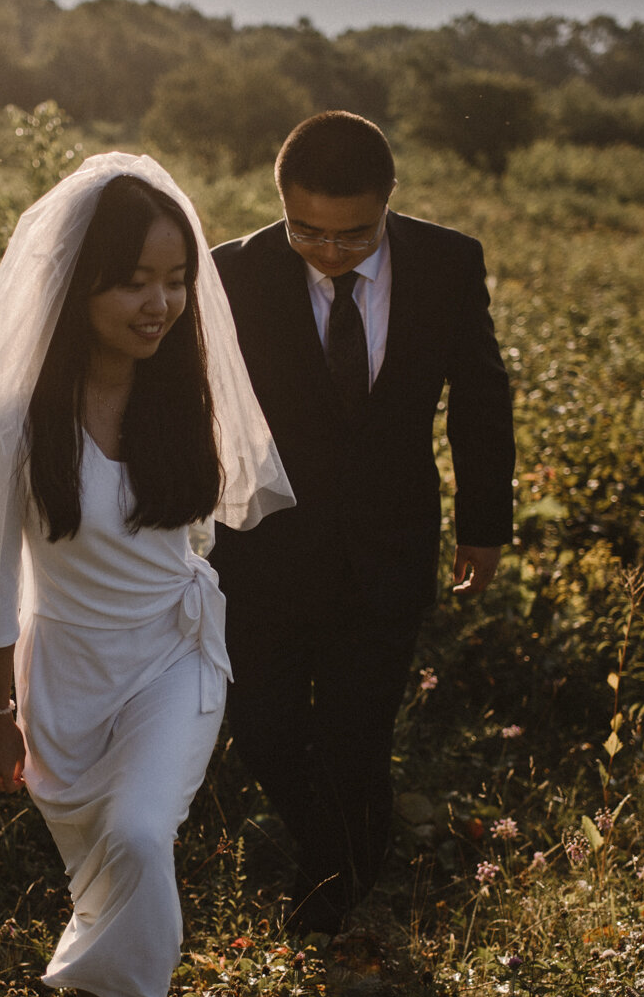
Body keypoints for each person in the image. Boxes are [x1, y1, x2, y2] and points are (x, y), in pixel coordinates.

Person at [0, 154, 293, 997]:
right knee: (104, 866)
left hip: (174, 660)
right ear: (79, 284)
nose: (162, 303)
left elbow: (197, 538)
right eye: (134, 280)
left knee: (140, 838)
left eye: (177, 279)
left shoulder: (184, 395)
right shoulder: (11, 420)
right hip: (62, 673)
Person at [208, 111, 516, 935]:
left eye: (353, 235)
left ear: (388, 202)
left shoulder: (449, 263)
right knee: (265, 731)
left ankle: (329, 905)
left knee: (356, 732)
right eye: (306, 230)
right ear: (279, 201)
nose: (330, 252)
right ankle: (349, 845)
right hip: (260, 552)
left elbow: (482, 397)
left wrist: (485, 523)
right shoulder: (228, 274)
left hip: (389, 546)